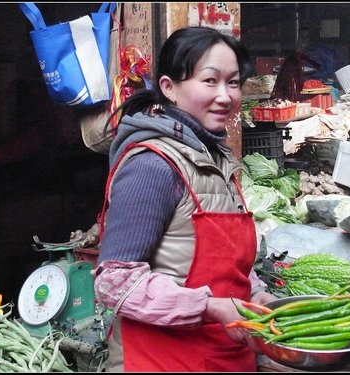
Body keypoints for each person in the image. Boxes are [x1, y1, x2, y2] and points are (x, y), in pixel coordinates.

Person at [92, 26, 277, 372]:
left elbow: (226, 263)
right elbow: (114, 282)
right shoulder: (153, 166)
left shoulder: (216, 159)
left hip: (226, 357)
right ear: (169, 88)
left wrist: (254, 293)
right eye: (210, 81)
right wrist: (211, 308)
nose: (225, 95)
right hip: (163, 361)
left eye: (234, 82)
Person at [270, 28, 322, 102]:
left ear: (311, 40)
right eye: (301, 38)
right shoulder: (299, 54)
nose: (301, 42)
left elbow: (322, 69)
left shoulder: (319, 52)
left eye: (305, 39)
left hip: (313, 86)